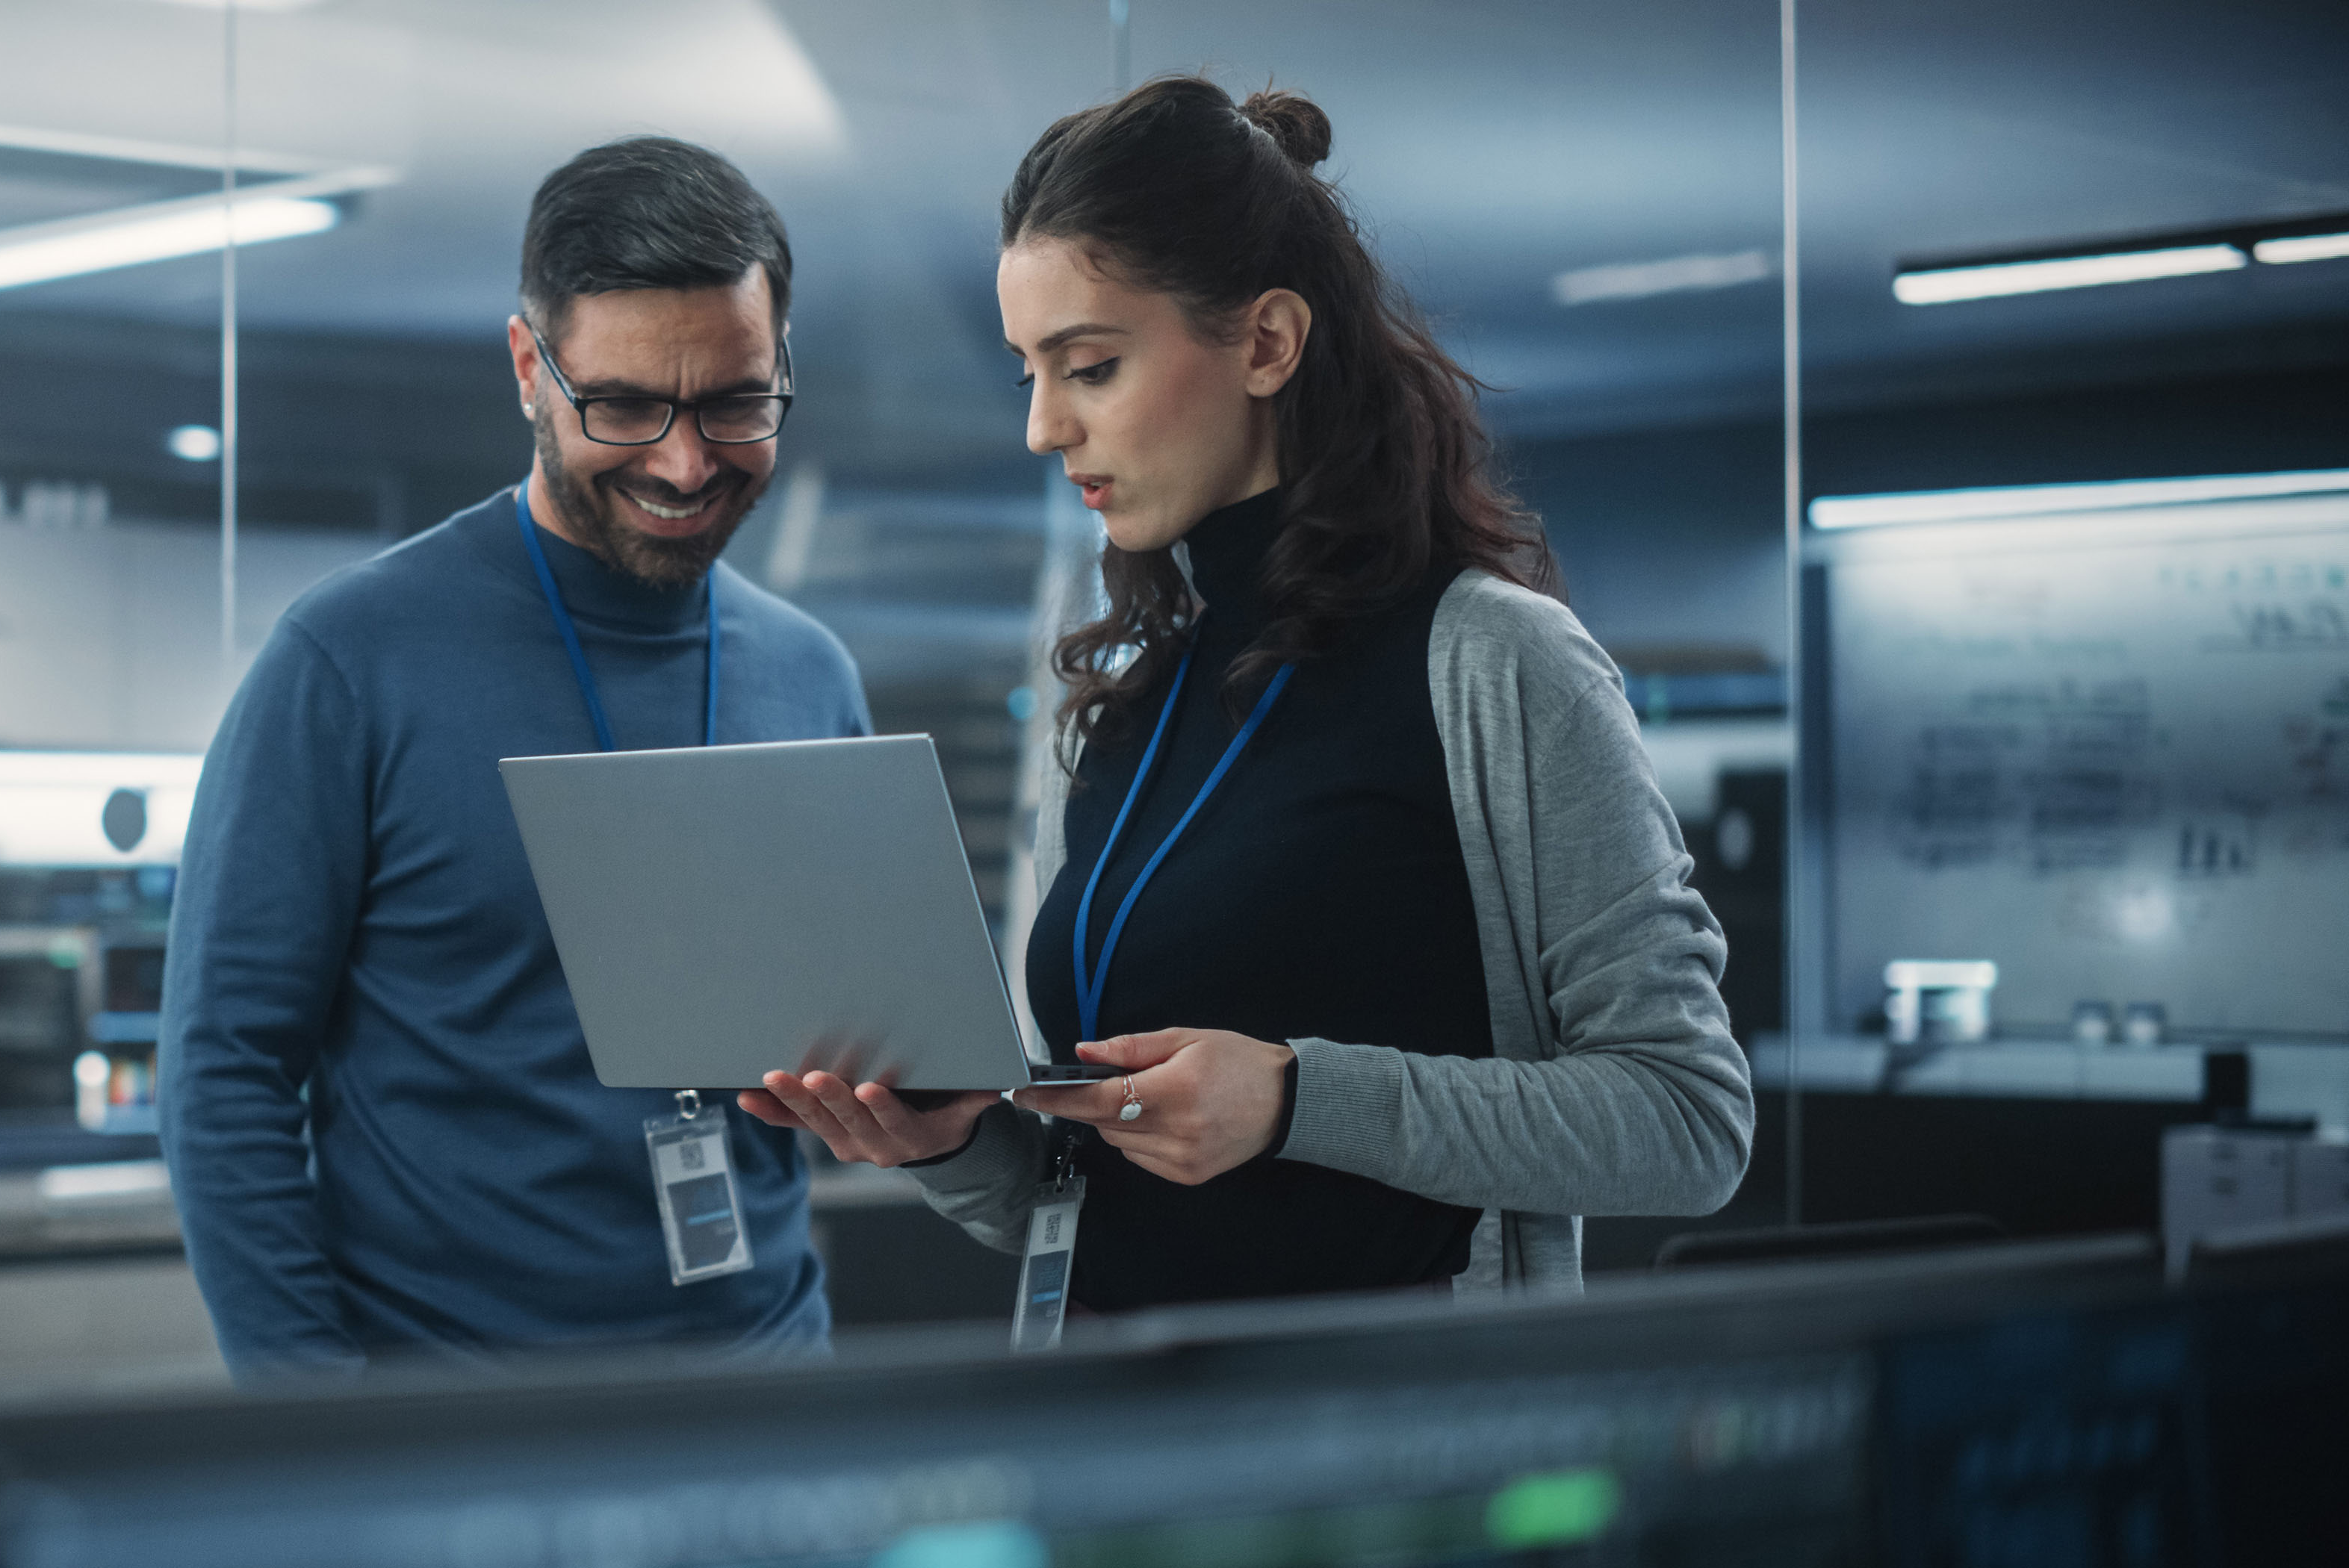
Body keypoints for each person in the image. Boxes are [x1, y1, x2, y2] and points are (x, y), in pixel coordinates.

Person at [743, 76, 1751, 1302]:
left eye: (1092, 366)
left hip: (1392, 1458)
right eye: (1029, 376)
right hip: (1119, 1451)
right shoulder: (1126, 696)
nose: (1045, 430)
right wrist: (953, 1142)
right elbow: (1087, 1202)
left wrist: (1292, 1099)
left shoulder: (1496, 661)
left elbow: (1689, 1121)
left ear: (1267, 342)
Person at [161, 137, 869, 1376]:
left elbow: (856, 1050)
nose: (686, 463)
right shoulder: (348, 661)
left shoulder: (810, 675)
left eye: (735, 404)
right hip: (455, 1414)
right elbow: (224, 1070)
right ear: (528, 371)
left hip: (765, 1393)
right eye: (627, 406)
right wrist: (317, 1417)